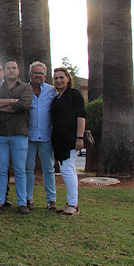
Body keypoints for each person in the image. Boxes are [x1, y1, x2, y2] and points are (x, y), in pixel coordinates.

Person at [0, 59, 33, 215]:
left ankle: (22, 203)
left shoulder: (26, 88)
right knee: (1, 170)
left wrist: (2, 106)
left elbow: (23, 106)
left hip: (19, 133)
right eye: (8, 68)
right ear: (4, 71)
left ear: (18, 71)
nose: (11, 70)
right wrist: (12, 102)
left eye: (14, 68)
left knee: (20, 170)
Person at [51, 67, 86, 216]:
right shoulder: (57, 97)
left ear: (68, 79)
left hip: (71, 139)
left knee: (67, 169)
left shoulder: (74, 94)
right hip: (59, 139)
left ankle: (73, 204)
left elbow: (81, 116)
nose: (59, 80)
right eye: (56, 78)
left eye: (61, 77)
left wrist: (79, 137)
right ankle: (70, 202)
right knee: (68, 169)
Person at [25, 61, 58, 211]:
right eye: (34, 73)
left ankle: (51, 200)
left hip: (46, 136)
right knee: (28, 169)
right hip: (28, 136)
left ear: (45, 76)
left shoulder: (52, 91)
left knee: (49, 169)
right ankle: (27, 199)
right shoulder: (24, 90)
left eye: (40, 73)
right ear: (29, 74)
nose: (37, 76)